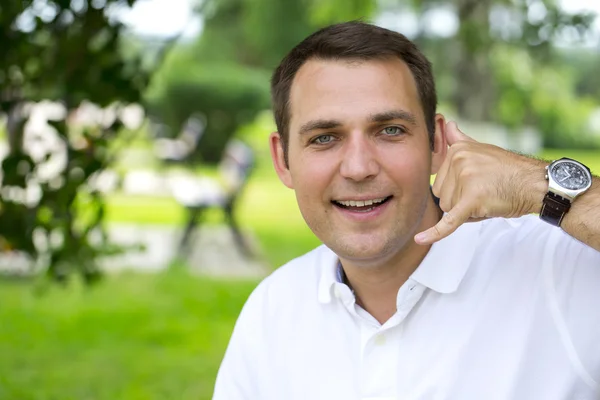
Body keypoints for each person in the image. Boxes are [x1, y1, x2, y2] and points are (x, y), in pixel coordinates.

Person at [213, 21, 600, 400]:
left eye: (390, 130)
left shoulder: (560, 269)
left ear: (436, 144)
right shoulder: (272, 311)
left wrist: (536, 183)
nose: (359, 167)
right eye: (325, 138)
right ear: (283, 160)